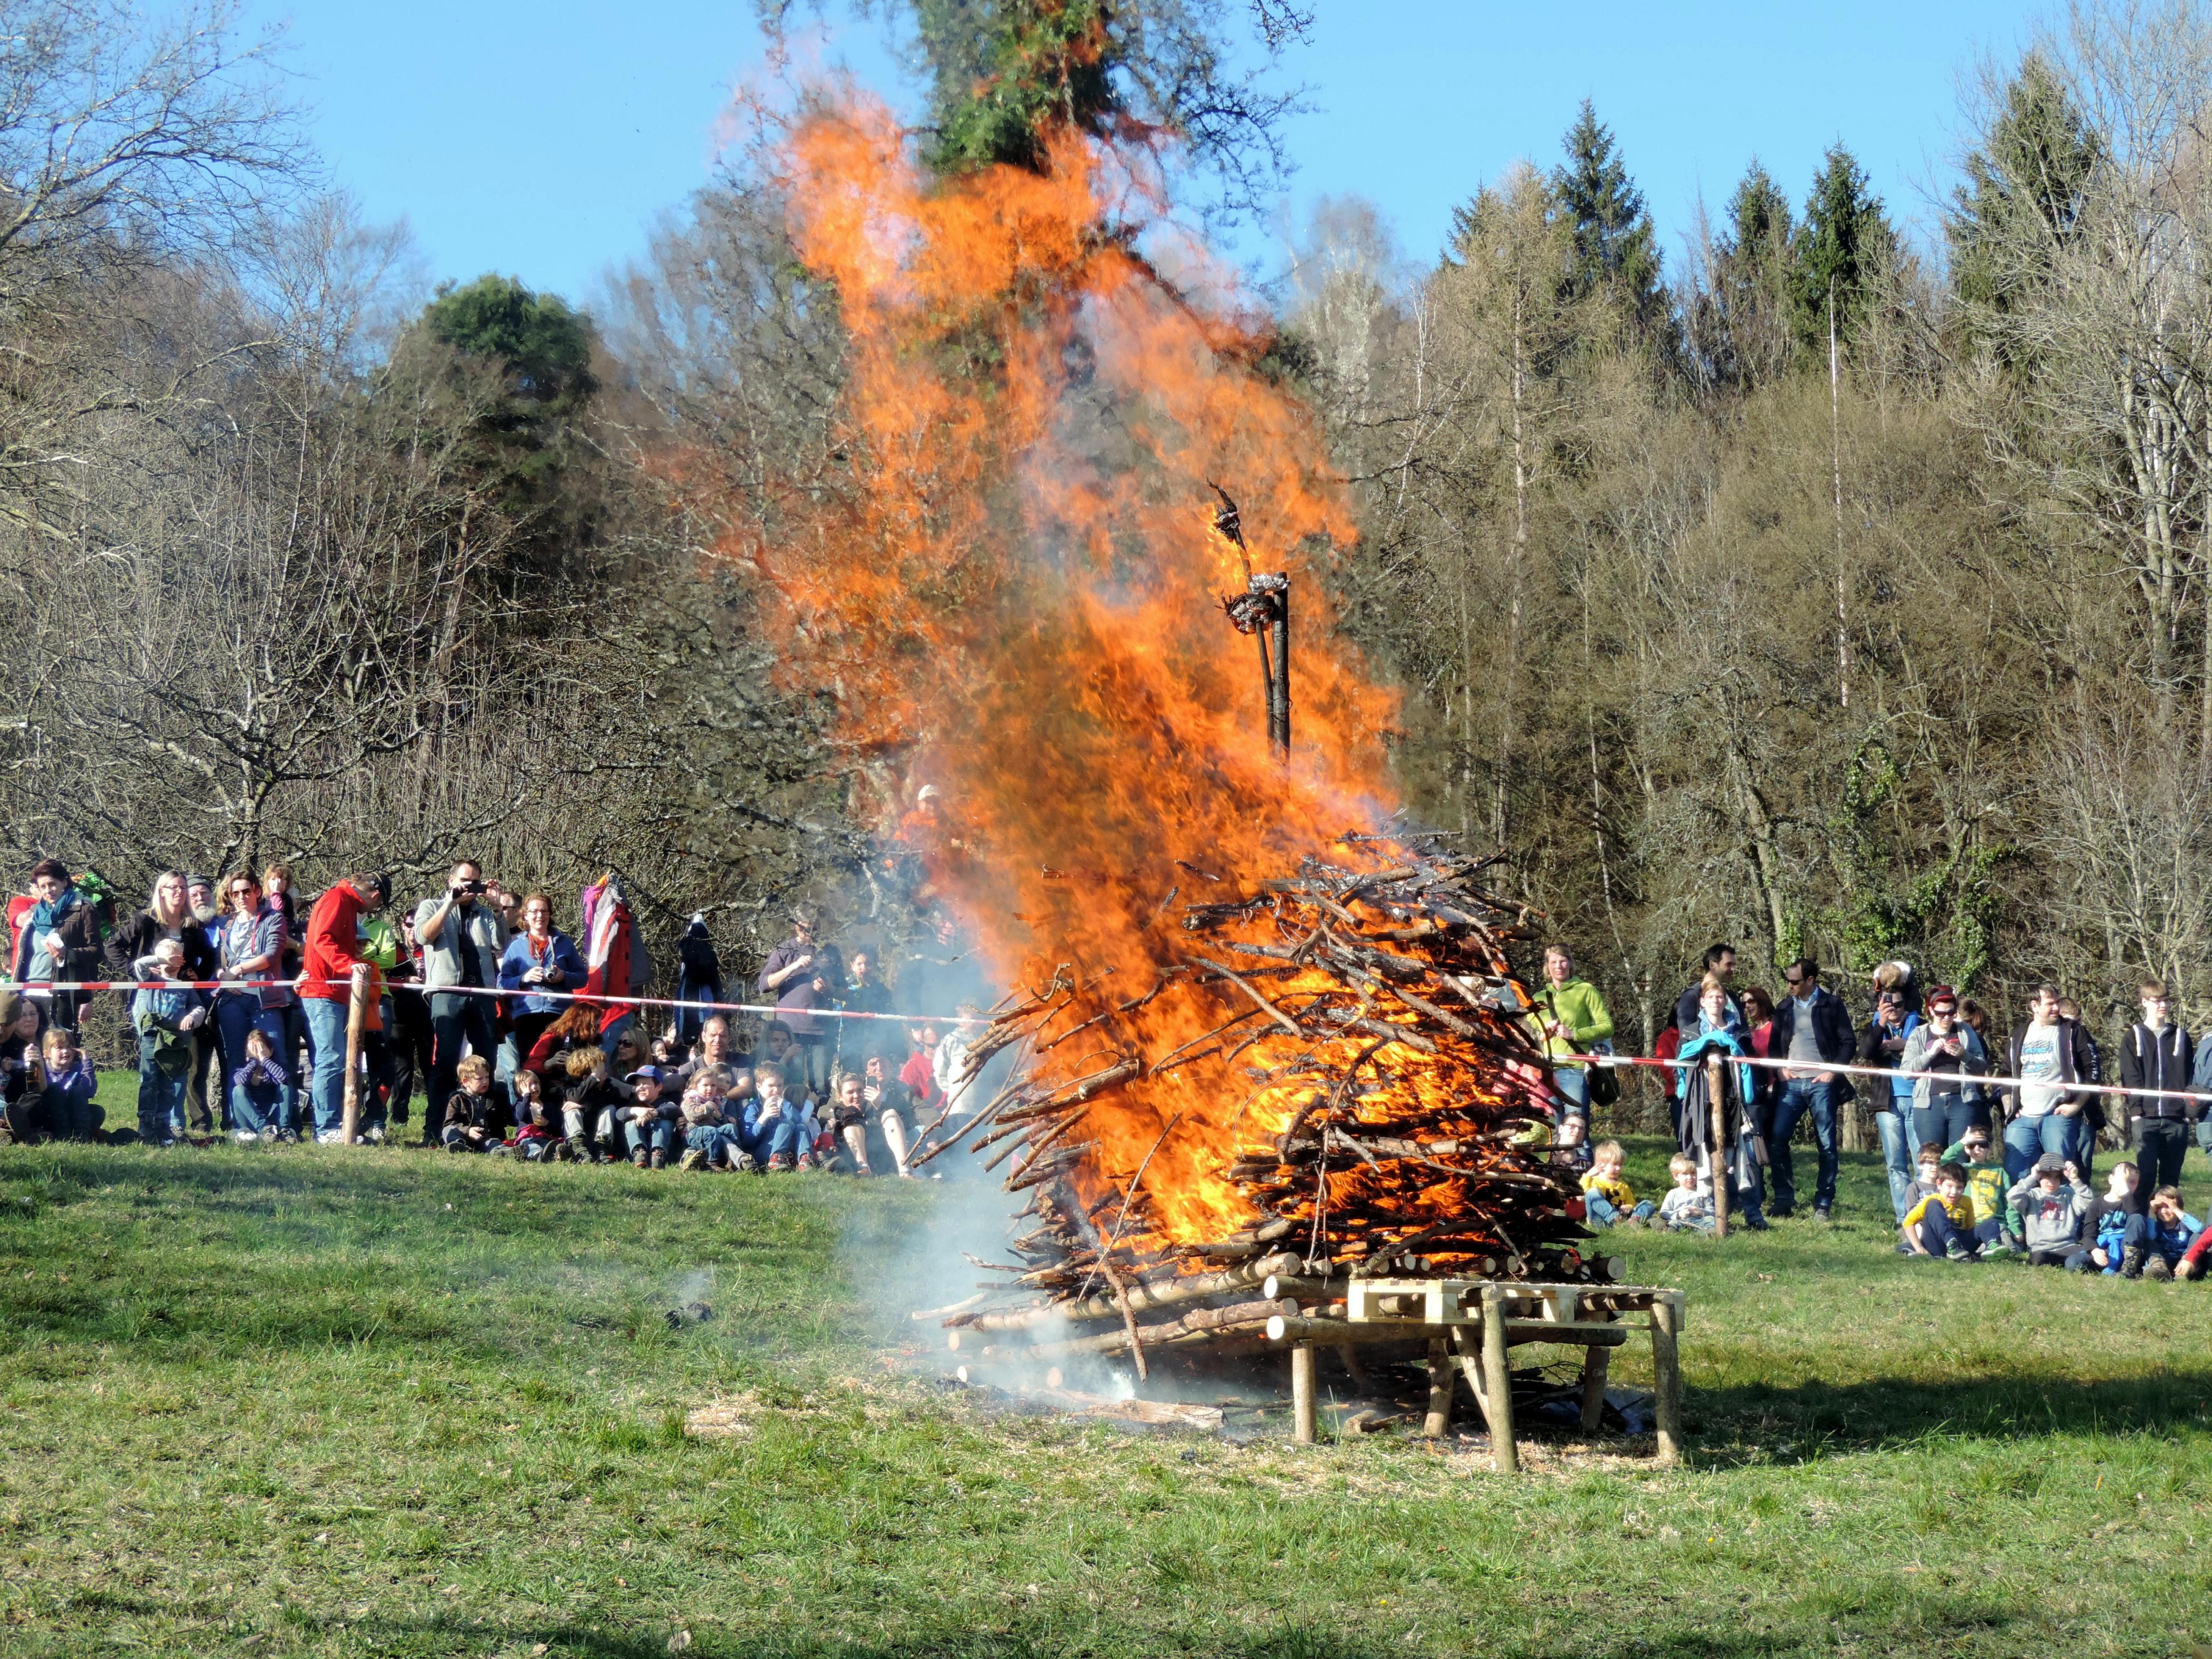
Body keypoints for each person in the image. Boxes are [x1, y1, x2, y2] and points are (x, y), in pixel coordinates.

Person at [108, 871, 221, 1134]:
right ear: (161, 891)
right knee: (152, 1066)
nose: (179, 892)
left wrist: (196, 975)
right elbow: (112, 947)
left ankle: (173, 1124)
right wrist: (138, 971)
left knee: (180, 1065)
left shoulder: (192, 926)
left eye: (183, 888)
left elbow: (210, 956)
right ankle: (149, 1124)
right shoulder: (145, 920)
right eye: (174, 887)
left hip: (182, 1003)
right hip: (150, 1004)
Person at [414, 861, 513, 1143]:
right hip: (446, 992)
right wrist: (450, 903)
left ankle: (488, 1128)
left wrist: (498, 909)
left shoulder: (484, 913)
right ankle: (436, 1129)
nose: (469, 887)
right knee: (445, 1062)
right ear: (451, 880)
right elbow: (424, 936)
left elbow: (501, 945)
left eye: (475, 882)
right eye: (465, 881)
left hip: (482, 993)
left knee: (487, 1062)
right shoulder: (432, 906)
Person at [1765, 957, 1857, 1221]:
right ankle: (1784, 1198)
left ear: (1810, 980)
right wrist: (1780, 1070)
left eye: (1795, 982)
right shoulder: (1784, 1008)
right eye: (1788, 981)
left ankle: (1823, 1204)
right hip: (1791, 1084)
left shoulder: (1832, 1005)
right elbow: (1774, 1046)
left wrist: (1832, 1072)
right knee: (1778, 1140)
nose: (1790, 986)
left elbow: (1848, 1042)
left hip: (1821, 1085)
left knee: (1827, 1145)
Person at [1673, 974, 1766, 1229]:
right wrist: (1702, 1049)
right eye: (1711, 997)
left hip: (1736, 1101)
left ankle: (1753, 1215)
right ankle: (1711, 1216)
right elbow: (1680, 1062)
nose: (1716, 1000)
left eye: (1720, 997)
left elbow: (1749, 1062)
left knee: (1747, 1157)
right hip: (1703, 1101)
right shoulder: (1691, 1032)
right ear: (1702, 1002)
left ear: (1725, 1001)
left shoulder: (1739, 1030)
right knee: (1707, 1155)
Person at [301, 871, 388, 1143]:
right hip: (323, 992)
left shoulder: (345, 904)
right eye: (378, 904)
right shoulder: (337, 899)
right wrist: (350, 966)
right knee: (330, 1059)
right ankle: (326, 1129)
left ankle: (337, 1124)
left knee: (339, 1060)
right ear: (376, 896)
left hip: (336, 993)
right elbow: (323, 940)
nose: (373, 910)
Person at [212, 872, 295, 1139]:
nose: (241, 897)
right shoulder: (226, 923)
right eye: (235, 893)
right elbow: (218, 961)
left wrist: (236, 971)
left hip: (264, 998)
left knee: (276, 1057)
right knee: (236, 1062)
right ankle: (242, 1126)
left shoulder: (273, 918)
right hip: (232, 999)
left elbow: (272, 955)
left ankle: (285, 1125)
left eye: (246, 891)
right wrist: (223, 977)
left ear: (258, 891)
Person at [2003, 986, 2097, 1184]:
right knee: (2015, 1175)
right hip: (2023, 1118)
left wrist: (2076, 1105)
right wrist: (2009, 1107)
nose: (2056, 1008)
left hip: (2057, 1116)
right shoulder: (2018, 1034)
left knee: (2061, 1174)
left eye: (2058, 1002)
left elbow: (2092, 1072)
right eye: (2050, 1004)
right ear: (2034, 1006)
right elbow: (2005, 1075)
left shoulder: (2073, 1031)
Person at [758, 907, 842, 1100]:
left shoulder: (831, 952)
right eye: (806, 928)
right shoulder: (785, 950)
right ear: (796, 927)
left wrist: (829, 989)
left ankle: (821, 1117)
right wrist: (794, 966)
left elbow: (844, 992)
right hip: (789, 1032)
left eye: (815, 928)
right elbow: (764, 985)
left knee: (821, 1086)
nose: (810, 933)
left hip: (822, 1031)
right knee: (791, 1084)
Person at [2117, 981, 2193, 1193]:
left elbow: (2190, 1075)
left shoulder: (2181, 1036)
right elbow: (2130, 1075)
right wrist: (2136, 1113)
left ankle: (2167, 1215)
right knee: (2145, 1177)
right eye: (2158, 1001)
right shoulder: (2133, 1036)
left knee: (2170, 1181)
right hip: (2146, 1118)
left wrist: (2187, 1112)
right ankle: (2143, 1214)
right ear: (2144, 1002)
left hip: (2176, 1118)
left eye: (2167, 1000)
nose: (2164, 1005)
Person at [131, 938, 207, 1147]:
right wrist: (162, 959)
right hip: (152, 1036)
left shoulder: (185, 986)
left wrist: (192, 1017)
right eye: (169, 958)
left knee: (169, 1084)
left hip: (176, 1041)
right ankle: (145, 1125)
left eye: (177, 958)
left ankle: (164, 1125)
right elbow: (139, 964)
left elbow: (199, 1008)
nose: (173, 962)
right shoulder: (151, 979)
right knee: (149, 1080)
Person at [498, 894, 585, 1070]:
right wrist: (524, 978)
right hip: (527, 1016)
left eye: (544, 911)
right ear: (525, 916)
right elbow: (502, 984)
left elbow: (583, 977)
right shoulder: (516, 946)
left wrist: (564, 977)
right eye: (535, 911)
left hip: (561, 1016)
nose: (540, 916)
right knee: (531, 1067)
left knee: (561, 1066)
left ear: (550, 914)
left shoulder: (564, 943)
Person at [1859, 985, 1922, 1229]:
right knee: (1896, 1163)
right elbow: (1866, 1051)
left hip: (1918, 1099)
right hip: (1888, 1102)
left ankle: (1923, 1213)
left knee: (1922, 1161)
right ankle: (1903, 1218)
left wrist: (1904, 1045)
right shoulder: (1874, 1026)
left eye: (1898, 1005)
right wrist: (1881, 1023)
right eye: (1888, 1005)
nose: (1893, 1009)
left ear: (1906, 1004)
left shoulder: (1921, 1026)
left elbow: (1931, 1052)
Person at [1533, 943, 1614, 1125]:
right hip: (1546, 1070)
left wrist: (1574, 1034)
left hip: (1575, 1069)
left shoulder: (1586, 990)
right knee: (1555, 1131)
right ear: (1547, 966)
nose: (1558, 966)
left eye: (1563, 961)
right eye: (1553, 962)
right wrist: (1543, 1032)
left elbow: (1607, 1027)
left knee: (1576, 1128)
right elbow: (1529, 1032)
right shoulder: (1538, 998)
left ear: (1571, 963)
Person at [1903, 987, 1987, 1156]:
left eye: (1951, 1013)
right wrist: (1930, 1054)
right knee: (1932, 1157)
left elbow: (1981, 1067)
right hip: (1929, 1104)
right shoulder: (1919, 1033)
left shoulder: (1965, 1031)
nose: (1947, 1018)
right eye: (1941, 1014)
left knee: (1960, 1157)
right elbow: (1906, 1072)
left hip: (1962, 1101)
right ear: (1931, 1011)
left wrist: (1963, 1055)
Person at [1939, 1124, 2020, 1257]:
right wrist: (1963, 1142)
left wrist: (2015, 1227)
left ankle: (1999, 1247)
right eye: (1972, 1145)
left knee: (2009, 1252)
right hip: (1971, 1226)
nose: (1977, 1149)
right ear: (1966, 1148)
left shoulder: (1999, 1171)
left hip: (1996, 1224)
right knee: (1981, 1250)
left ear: (1989, 1147)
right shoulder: (1962, 1170)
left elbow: (2010, 1201)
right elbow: (1943, 1161)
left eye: (1982, 1145)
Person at [2008, 1154, 2093, 1267]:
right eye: (2047, 1176)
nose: (2051, 1182)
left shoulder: (2068, 1195)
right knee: (2039, 1259)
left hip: (2067, 1246)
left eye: (2056, 1177)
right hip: (2041, 1249)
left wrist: (2075, 1180)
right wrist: (2032, 1178)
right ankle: (2068, 1262)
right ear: (2040, 1177)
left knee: (2088, 1255)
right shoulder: (2031, 1196)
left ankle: (2072, 1262)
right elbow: (2012, 1196)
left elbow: (2088, 1204)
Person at [834, 947, 897, 1076]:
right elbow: (835, 1014)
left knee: (875, 1077)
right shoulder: (843, 988)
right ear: (852, 966)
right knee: (852, 1076)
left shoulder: (882, 990)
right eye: (859, 964)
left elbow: (891, 1016)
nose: (864, 968)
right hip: (850, 1042)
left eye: (869, 964)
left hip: (876, 1042)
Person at [1901, 1163, 1980, 1262]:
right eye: (1949, 1186)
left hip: (1960, 1244)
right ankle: (1952, 1244)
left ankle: (1993, 1249)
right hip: (1937, 1244)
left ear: (1964, 1188)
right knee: (1933, 1204)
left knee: (1990, 1224)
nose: (1954, 1192)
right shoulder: (1932, 1200)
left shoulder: (1967, 1202)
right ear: (1939, 1184)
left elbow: (1971, 1228)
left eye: (1959, 1188)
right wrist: (1918, 1247)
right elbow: (1908, 1222)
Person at [2077, 1161, 2144, 1276]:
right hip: (2104, 1246)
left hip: (2127, 1249)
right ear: (2111, 1179)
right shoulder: (2096, 1205)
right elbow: (2088, 1235)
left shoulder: (2135, 1204)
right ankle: (2109, 1266)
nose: (2127, 1185)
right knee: (2073, 1263)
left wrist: (2124, 1191)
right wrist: (2095, 1251)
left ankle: (2128, 1268)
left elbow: (2136, 1219)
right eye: (2122, 1180)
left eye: (2132, 1182)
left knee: (2137, 1218)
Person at [34, 1026, 99, 1143]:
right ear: (47, 1054)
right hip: (52, 1116)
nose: (66, 1051)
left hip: (75, 1115)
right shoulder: (45, 1072)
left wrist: (86, 1061)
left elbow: (89, 1091)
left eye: (69, 1047)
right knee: (55, 1088)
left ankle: (82, 1136)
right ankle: (63, 1136)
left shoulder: (78, 1069)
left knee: (97, 1110)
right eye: (59, 1048)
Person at [860, 1049, 918, 1177]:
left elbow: (922, 1110)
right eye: (873, 1064)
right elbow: (830, 1106)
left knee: (892, 1115)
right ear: (866, 1070)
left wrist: (934, 1133)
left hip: (898, 1141)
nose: (879, 1068)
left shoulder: (902, 1089)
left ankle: (906, 1172)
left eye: (883, 1063)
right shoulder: (858, 1088)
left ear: (890, 1065)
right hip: (869, 1142)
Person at [676, 1069, 745, 1171]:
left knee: (730, 1128)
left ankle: (732, 1160)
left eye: (713, 1085)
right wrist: (706, 1109)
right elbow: (691, 1116)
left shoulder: (716, 1101)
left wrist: (721, 1117)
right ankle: (711, 1162)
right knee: (711, 1131)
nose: (710, 1088)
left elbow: (721, 1122)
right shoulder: (690, 1100)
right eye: (705, 1085)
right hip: (694, 1133)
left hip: (713, 1132)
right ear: (696, 1086)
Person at [743, 1066, 811, 1171]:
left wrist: (784, 1105)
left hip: (787, 1148)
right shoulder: (753, 1107)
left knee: (801, 1127)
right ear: (759, 1087)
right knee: (786, 1124)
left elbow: (798, 1120)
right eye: (771, 1086)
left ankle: (805, 1159)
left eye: (780, 1085)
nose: (776, 1090)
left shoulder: (785, 1104)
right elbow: (748, 1141)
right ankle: (775, 1159)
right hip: (764, 1150)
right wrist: (763, 1118)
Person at [673, 913, 724, 1047]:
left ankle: (691, 1038)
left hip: (700, 991)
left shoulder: (694, 946)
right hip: (698, 990)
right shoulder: (702, 947)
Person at [229, 1026, 287, 1141]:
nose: (257, 1053)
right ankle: (263, 1129)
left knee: (286, 1087)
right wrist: (253, 1062)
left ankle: (284, 1130)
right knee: (238, 1089)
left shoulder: (272, 1071)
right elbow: (240, 1081)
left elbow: (283, 1078)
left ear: (271, 1051)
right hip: (248, 1120)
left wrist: (264, 1059)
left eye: (260, 1049)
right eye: (253, 1050)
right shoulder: (240, 1071)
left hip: (271, 1118)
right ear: (247, 1054)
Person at [441, 1054, 508, 1154]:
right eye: (480, 1079)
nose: (485, 1081)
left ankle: (502, 1151)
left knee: (493, 1143)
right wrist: (468, 1131)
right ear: (466, 1082)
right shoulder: (458, 1099)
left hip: (484, 1137)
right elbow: (450, 1122)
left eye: (487, 1077)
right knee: (448, 1130)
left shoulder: (492, 1098)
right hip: (464, 1135)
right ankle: (458, 1145)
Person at [1580, 1139, 1654, 1227]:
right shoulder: (1593, 1181)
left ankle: (1633, 1221)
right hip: (1600, 1220)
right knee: (1592, 1192)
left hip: (1622, 1218)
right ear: (1601, 1163)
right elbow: (1581, 1191)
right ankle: (1614, 1218)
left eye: (1621, 1165)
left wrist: (1628, 1207)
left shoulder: (1623, 1186)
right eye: (1615, 1164)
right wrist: (1589, 1175)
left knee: (1648, 1204)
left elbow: (1631, 1204)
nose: (1618, 1168)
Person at [617, 1067, 680, 1168]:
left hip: (664, 1151)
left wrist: (653, 1113)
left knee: (665, 1123)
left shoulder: (665, 1103)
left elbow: (675, 1110)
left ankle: (658, 1155)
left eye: (646, 1084)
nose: (641, 1088)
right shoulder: (634, 1104)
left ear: (659, 1087)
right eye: (638, 1085)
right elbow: (619, 1114)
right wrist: (636, 1111)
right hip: (638, 1150)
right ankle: (639, 1153)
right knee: (631, 1123)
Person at [1673, 944, 1740, 1034]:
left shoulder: (1732, 997)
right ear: (1712, 965)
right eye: (1728, 964)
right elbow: (1687, 1034)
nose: (1733, 969)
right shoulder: (1692, 996)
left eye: (1734, 965)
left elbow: (1742, 1032)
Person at [2141, 1185, 2202, 1280]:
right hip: (2164, 1260)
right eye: (2159, 1207)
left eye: (2168, 1206)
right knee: (2149, 1242)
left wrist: (2175, 1209)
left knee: (2198, 1236)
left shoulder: (2186, 1223)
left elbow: (2199, 1229)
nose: (2164, 1211)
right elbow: (2150, 1236)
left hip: (2184, 1261)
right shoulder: (2156, 1226)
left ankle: (2183, 1273)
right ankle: (2159, 1270)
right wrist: (2151, 1211)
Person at [1657, 1154, 1715, 1233]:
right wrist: (1679, 1214)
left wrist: (1700, 1211)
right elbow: (1664, 1213)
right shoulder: (1673, 1194)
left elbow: (1712, 1212)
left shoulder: (1702, 1193)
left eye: (1693, 1173)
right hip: (1681, 1221)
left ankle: (1709, 1232)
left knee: (1710, 1220)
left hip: (1699, 1221)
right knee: (1673, 1223)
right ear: (1676, 1176)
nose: (1690, 1177)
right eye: (1685, 1174)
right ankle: (1670, 1230)